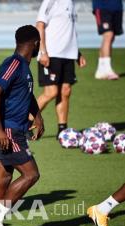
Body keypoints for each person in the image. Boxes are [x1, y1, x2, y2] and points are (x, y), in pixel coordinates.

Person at [0, 25, 44, 226]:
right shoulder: (14, 63)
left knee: (3, 177)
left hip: (8, 127)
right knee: (31, 174)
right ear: (35, 43)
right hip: (7, 129)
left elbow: (24, 92)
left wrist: (37, 115)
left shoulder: (24, 68)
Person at [35, 0, 86, 136]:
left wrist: (77, 52)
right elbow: (40, 25)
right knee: (51, 92)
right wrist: (43, 51)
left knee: (65, 91)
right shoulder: (51, 1)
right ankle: (24, 124)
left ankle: (62, 129)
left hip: (69, 54)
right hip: (52, 53)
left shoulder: (71, 3)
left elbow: (70, 30)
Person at [93, 0, 123, 80]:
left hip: (117, 7)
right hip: (102, 7)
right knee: (108, 35)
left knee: (111, 37)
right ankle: (108, 69)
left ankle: (100, 70)